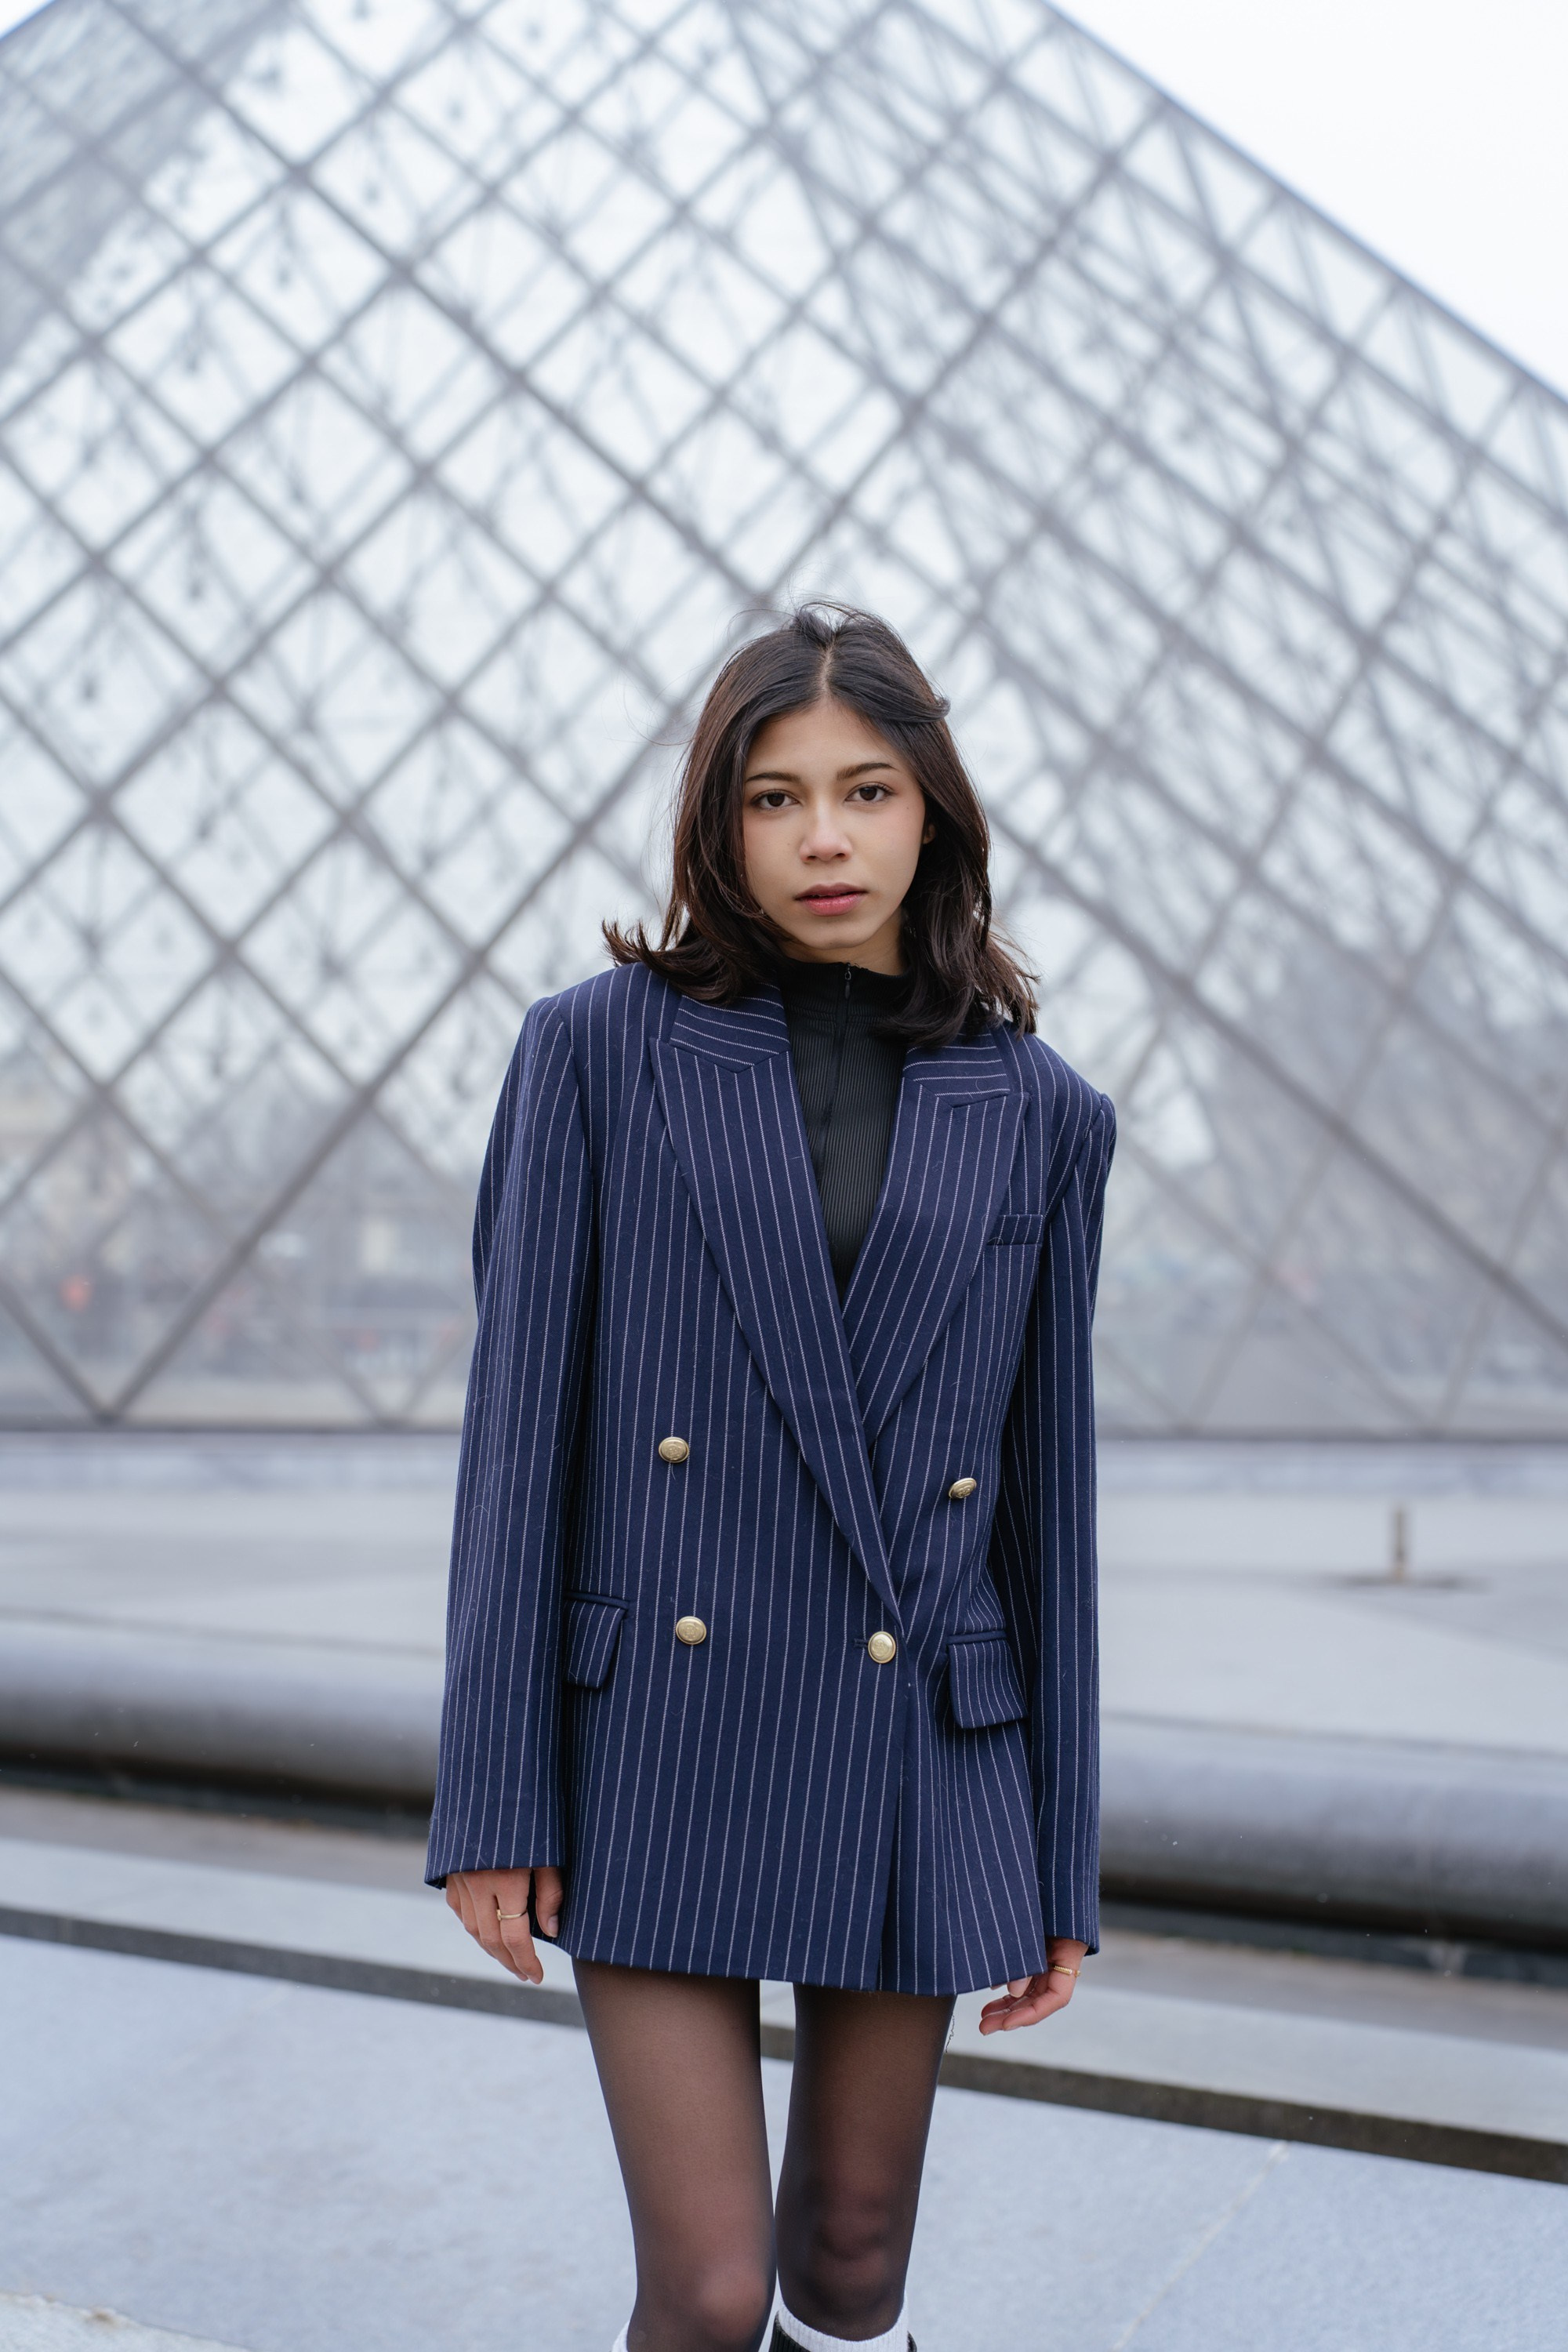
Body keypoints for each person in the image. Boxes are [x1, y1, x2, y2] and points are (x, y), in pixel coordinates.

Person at [427, 606, 1116, 2352]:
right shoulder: (593, 1055)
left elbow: (1046, 1508)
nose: (824, 838)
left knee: (853, 2266)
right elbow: (519, 1450)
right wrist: (493, 1800)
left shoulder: (1043, 1111)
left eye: (867, 791)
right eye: (774, 797)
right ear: (715, 828)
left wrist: (1058, 1858)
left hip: (918, 1762)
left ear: (933, 813)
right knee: (715, 2289)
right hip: (657, 1737)